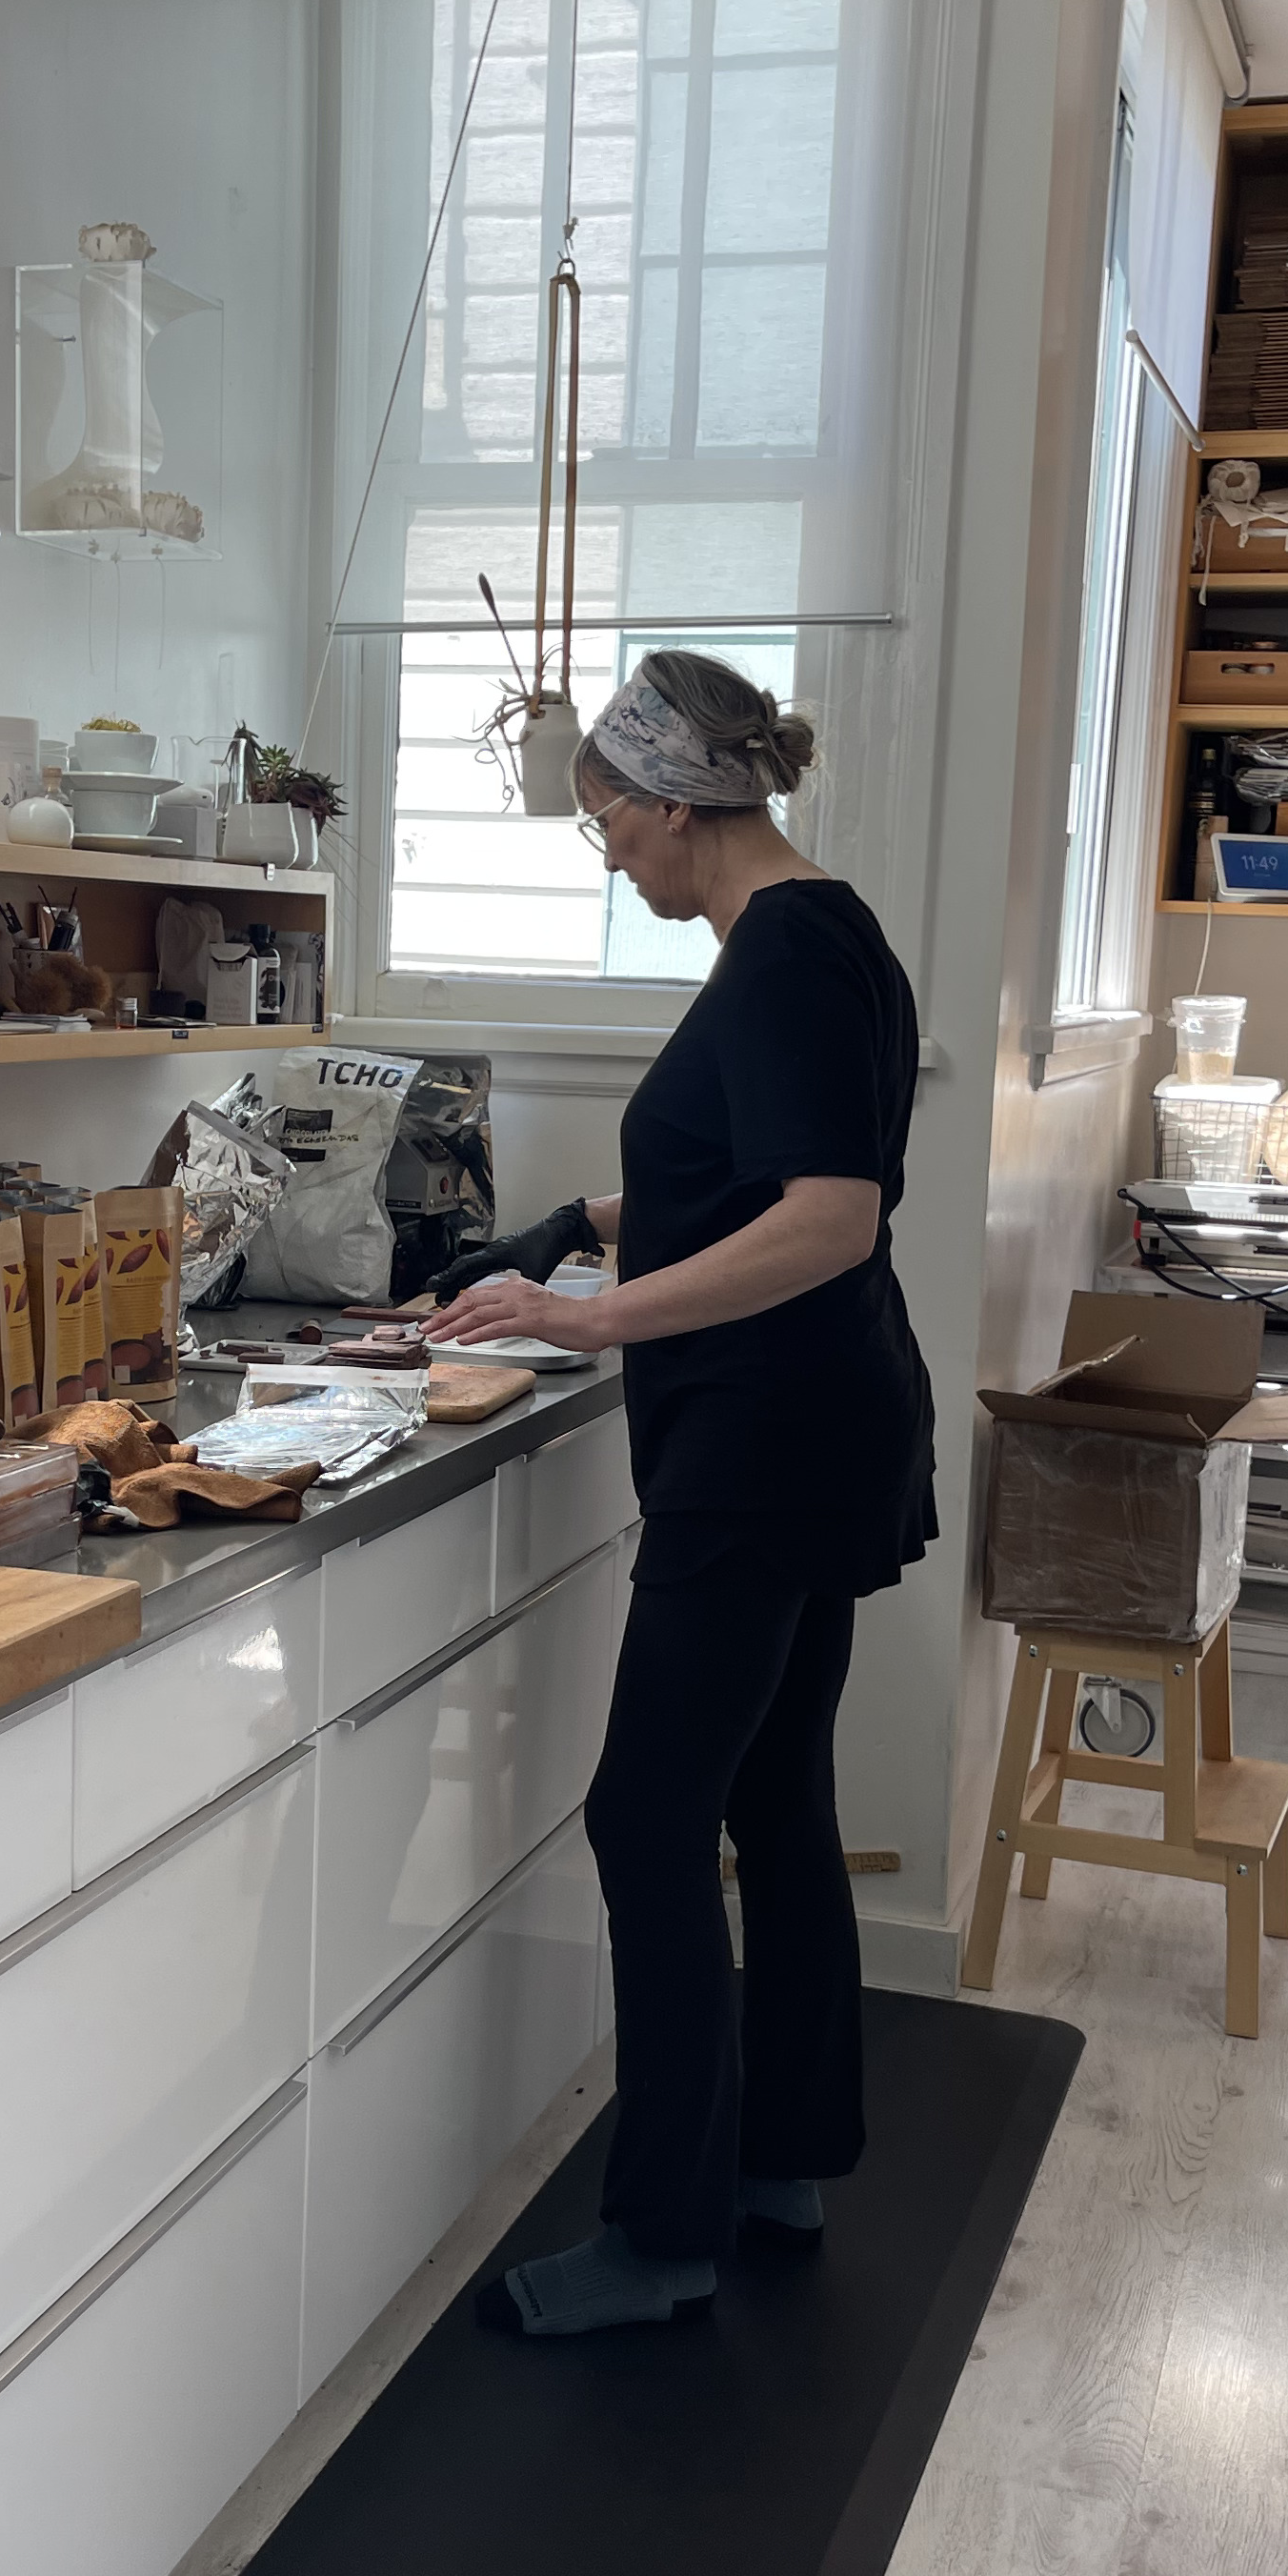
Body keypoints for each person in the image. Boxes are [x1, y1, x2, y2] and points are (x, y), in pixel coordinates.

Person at [422, 651, 934, 2338]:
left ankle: (660, 2236)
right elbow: (748, 1182)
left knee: (646, 1816)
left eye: (607, 830)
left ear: (668, 802)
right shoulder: (823, 929)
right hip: (826, 1426)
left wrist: (590, 1317)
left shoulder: (778, 951)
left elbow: (827, 1218)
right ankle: (780, 2154)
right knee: (772, 1796)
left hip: (764, 1447)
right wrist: (578, 1222)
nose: (615, 860)